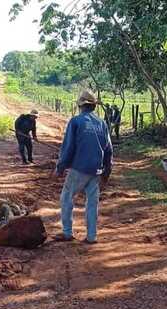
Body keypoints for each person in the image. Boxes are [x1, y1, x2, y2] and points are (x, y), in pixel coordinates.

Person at [53, 90, 113, 245]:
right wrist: (107, 172)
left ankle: (67, 232)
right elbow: (109, 150)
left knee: (66, 197)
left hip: (79, 169)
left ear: (80, 105)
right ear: (93, 106)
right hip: (96, 170)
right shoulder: (102, 123)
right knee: (92, 203)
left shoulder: (76, 121)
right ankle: (91, 237)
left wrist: (60, 167)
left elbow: (68, 148)